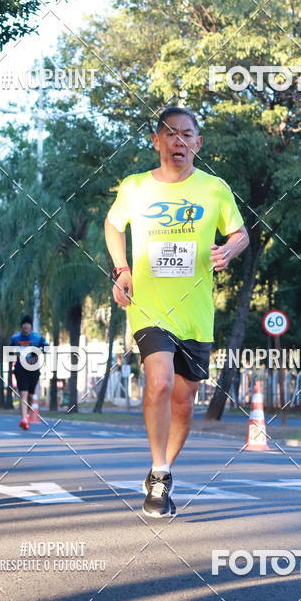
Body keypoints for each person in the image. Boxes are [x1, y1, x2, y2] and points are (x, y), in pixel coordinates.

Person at [105, 106, 248, 517]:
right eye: (170, 134)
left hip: (197, 311)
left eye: (186, 135)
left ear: (197, 144)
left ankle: (159, 473)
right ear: (157, 141)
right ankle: (160, 470)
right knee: (160, 381)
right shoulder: (135, 188)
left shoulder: (215, 189)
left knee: (184, 402)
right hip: (149, 306)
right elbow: (113, 226)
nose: (178, 141)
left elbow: (240, 233)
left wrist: (229, 250)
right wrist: (121, 270)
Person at [9, 315, 48, 430]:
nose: (26, 326)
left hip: (33, 370)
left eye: (28, 324)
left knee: (30, 396)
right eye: (24, 324)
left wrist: (36, 354)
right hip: (20, 369)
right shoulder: (15, 338)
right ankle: (24, 419)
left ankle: (26, 414)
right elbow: (10, 351)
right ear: (21, 326)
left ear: (30, 326)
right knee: (23, 394)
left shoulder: (37, 338)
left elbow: (46, 348)